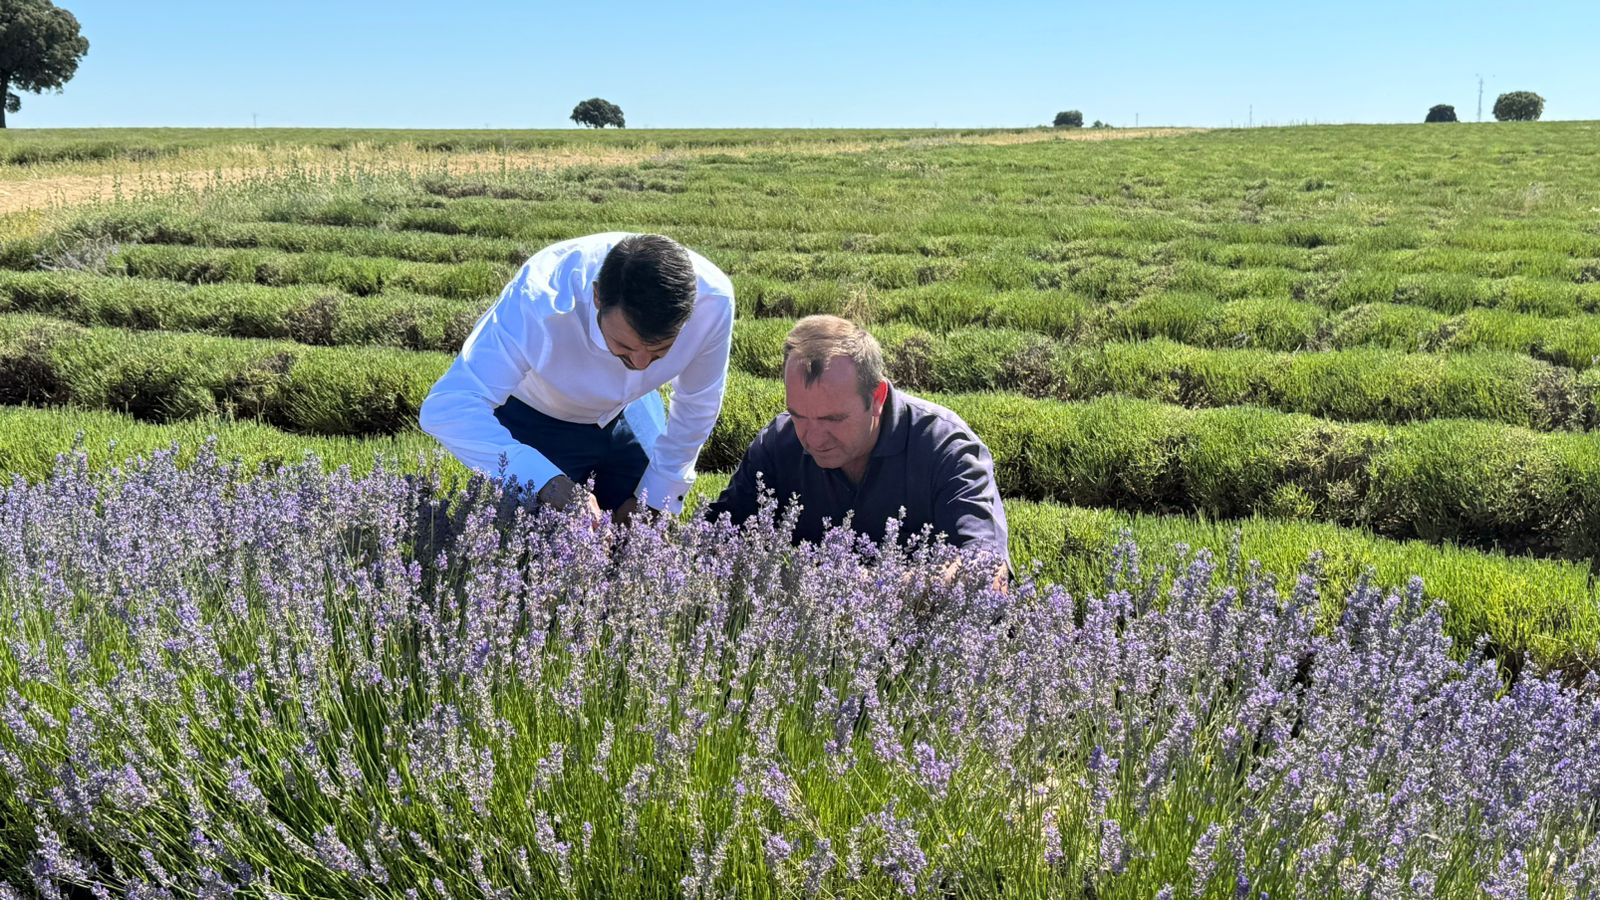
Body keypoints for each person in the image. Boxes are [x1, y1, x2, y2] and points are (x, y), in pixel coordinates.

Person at [420, 232, 734, 521]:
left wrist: (655, 498)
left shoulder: (713, 301)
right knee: (537, 543)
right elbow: (448, 406)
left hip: (631, 407)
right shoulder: (538, 298)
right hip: (538, 415)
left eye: (659, 352)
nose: (640, 364)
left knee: (642, 532)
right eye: (624, 346)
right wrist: (544, 479)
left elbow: (699, 402)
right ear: (598, 297)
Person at [707, 315, 1009, 565]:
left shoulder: (945, 447)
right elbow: (715, 535)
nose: (812, 438)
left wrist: (872, 590)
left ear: (877, 397)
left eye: (833, 419)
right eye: (798, 415)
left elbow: (985, 568)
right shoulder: (779, 443)